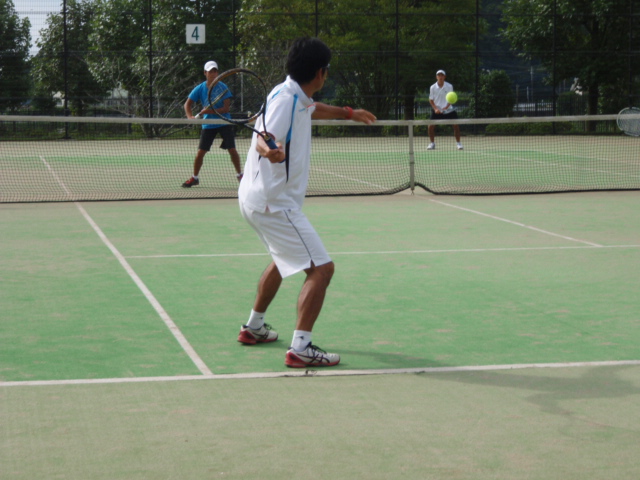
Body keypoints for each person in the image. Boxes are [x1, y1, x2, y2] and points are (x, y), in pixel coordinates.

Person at [237, 37, 377, 368]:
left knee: (282, 258)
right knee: (322, 269)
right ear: (320, 73)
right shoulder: (285, 101)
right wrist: (269, 150)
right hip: (274, 203)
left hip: (256, 199)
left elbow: (313, 109)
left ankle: (254, 327)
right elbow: (262, 136)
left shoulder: (292, 94)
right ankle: (301, 347)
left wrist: (348, 113)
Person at [183, 60, 243, 187]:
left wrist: (209, 110)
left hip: (224, 122)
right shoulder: (199, 88)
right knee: (200, 152)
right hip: (208, 124)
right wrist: (190, 117)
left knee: (232, 150)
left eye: (215, 71)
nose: (213, 74)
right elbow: (187, 104)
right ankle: (195, 178)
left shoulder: (223, 87)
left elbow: (226, 109)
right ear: (205, 73)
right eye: (211, 71)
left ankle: (240, 175)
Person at [428, 69, 463, 150]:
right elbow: (431, 100)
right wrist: (436, 109)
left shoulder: (449, 86)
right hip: (437, 111)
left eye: (442, 75)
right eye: (439, 75)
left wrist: (447, 107)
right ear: (436, 77)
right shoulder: (432, 87)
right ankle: (432, 143)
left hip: (449, 110)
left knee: (456, 125)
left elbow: (452, 98)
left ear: (444, 77)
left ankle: (458, 143)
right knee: (430, 126)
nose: (440, 77)